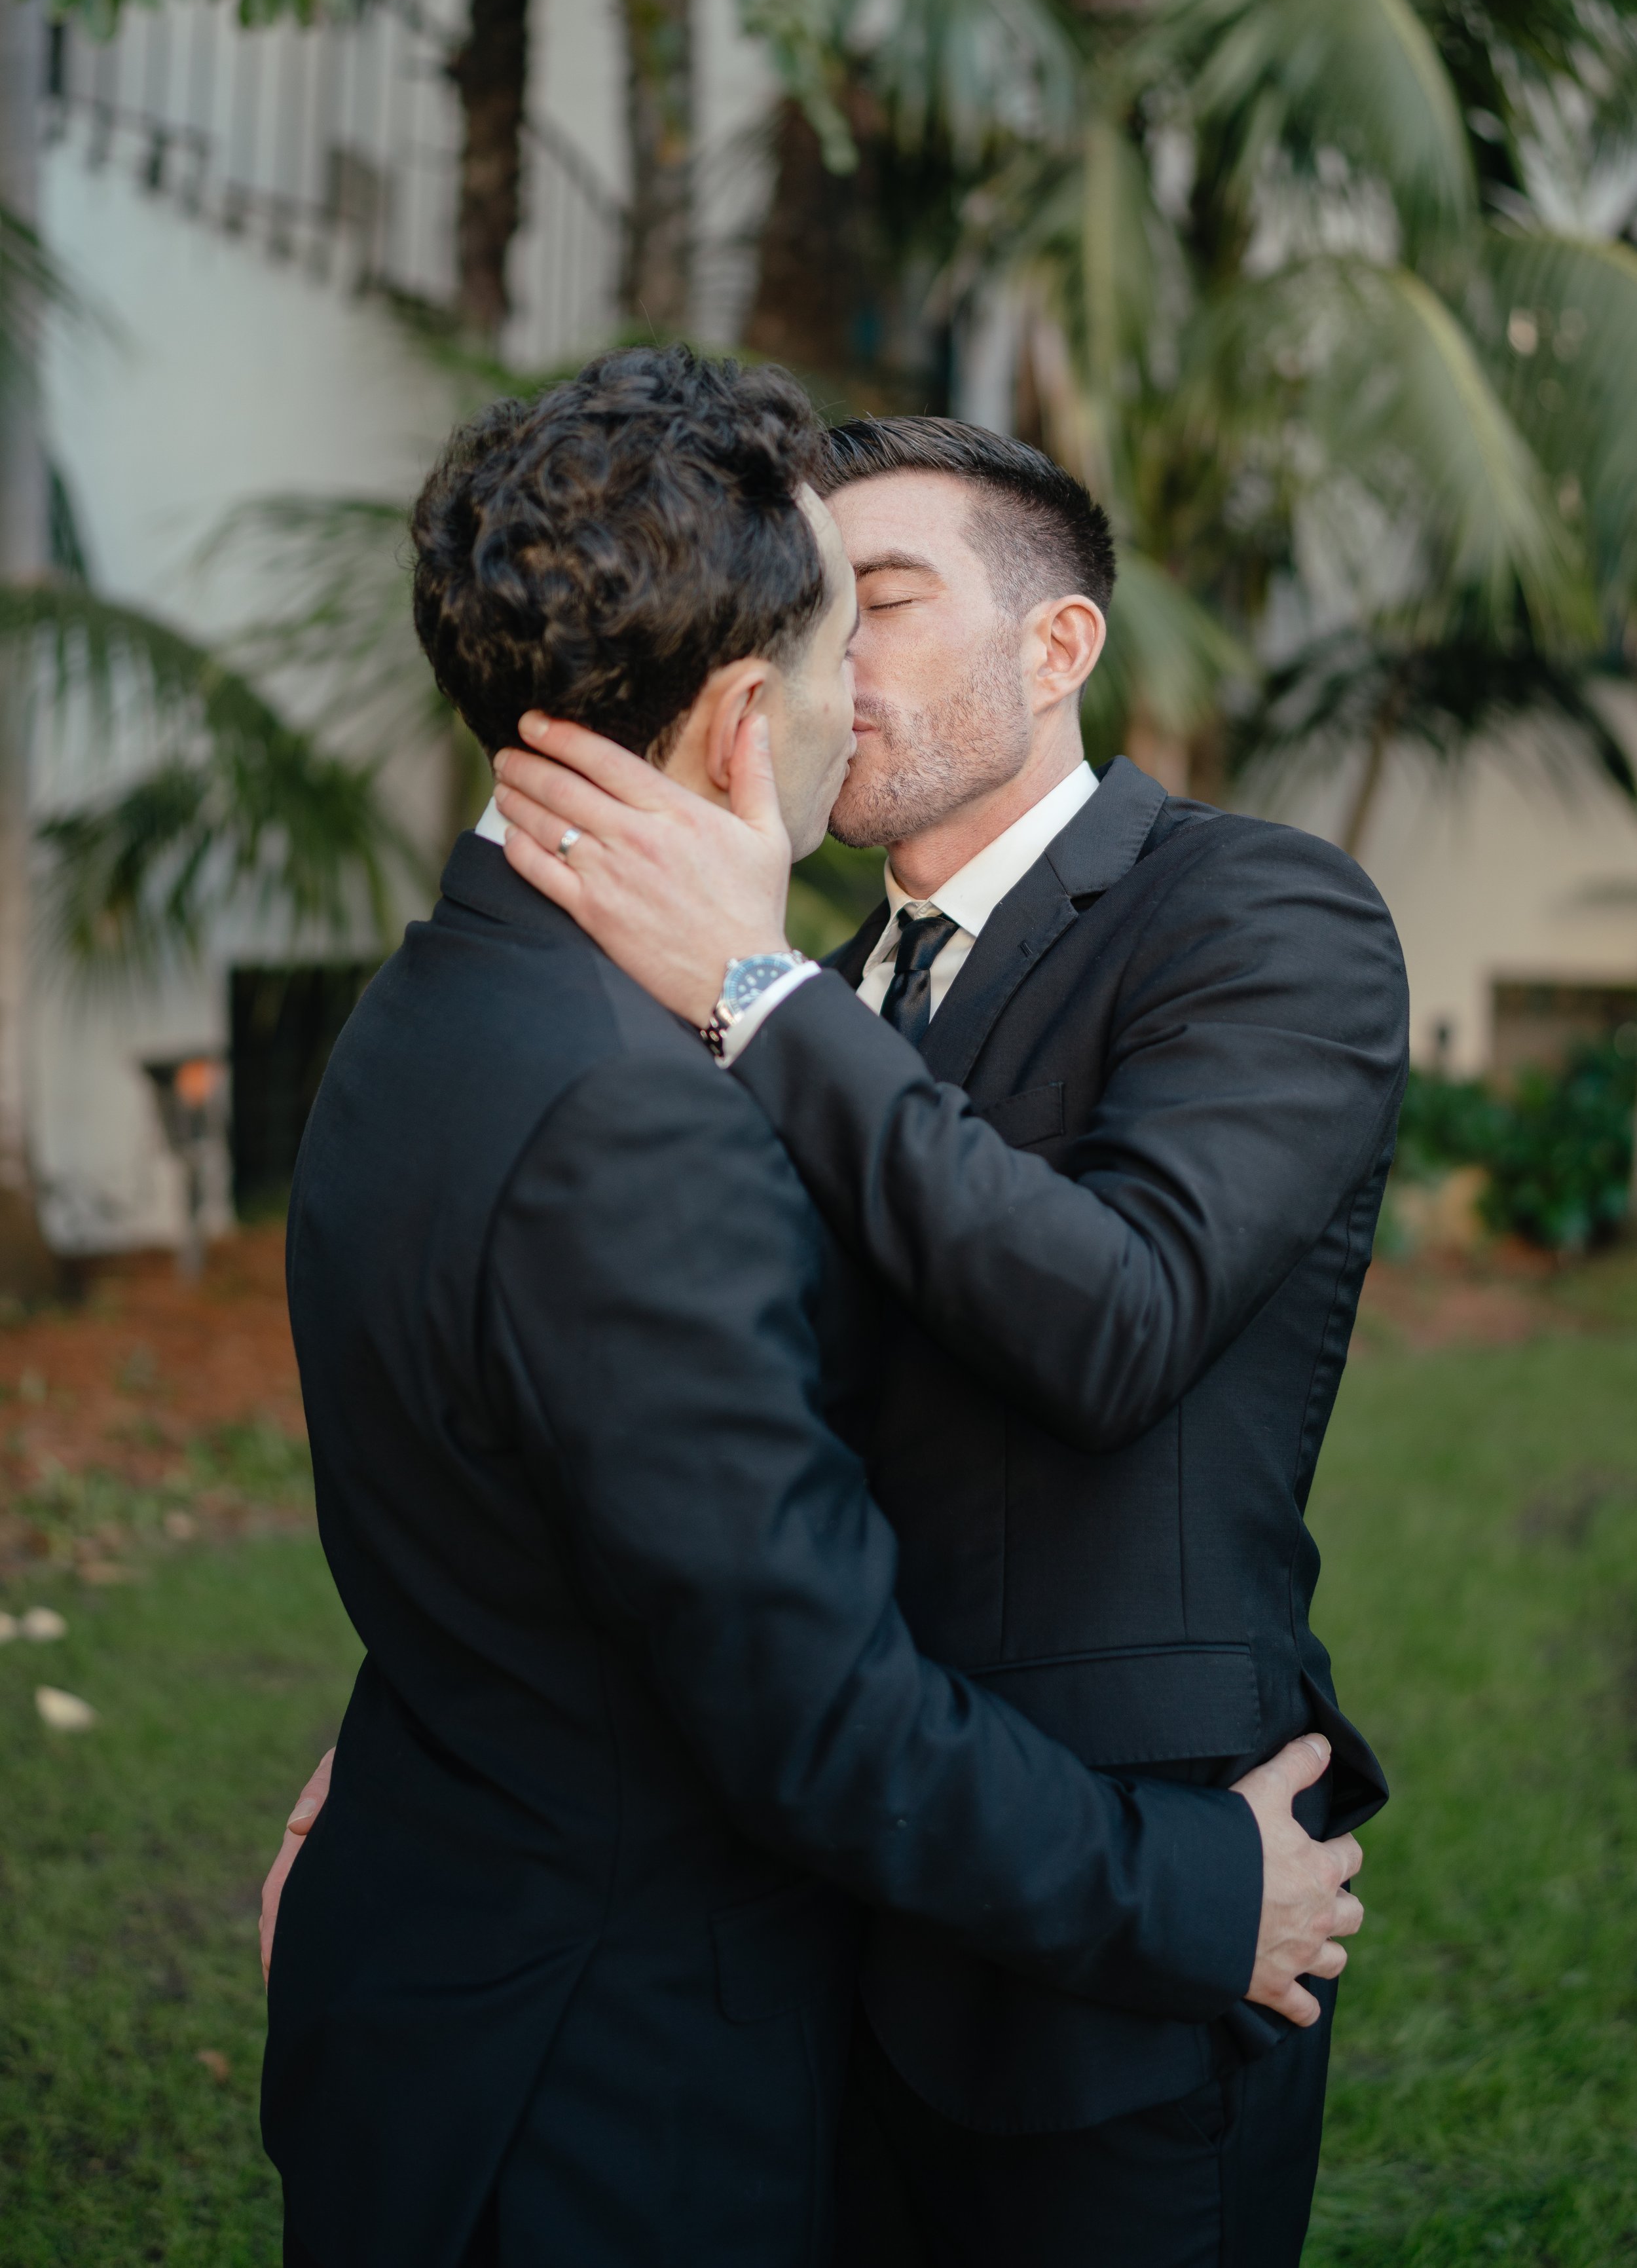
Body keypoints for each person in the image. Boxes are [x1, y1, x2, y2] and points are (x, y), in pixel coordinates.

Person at [261, 357, 1361, 2268]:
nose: (848, 660)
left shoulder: (1253, 917)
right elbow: (632, 1452)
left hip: (1085, 1978)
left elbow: (1118, 1316)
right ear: (741, 710)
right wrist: (456, 1710)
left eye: (888, 601)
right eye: (825, 615)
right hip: (799, 1937)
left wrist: (758, 991)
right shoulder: (700, 1008)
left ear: (1058, 646)